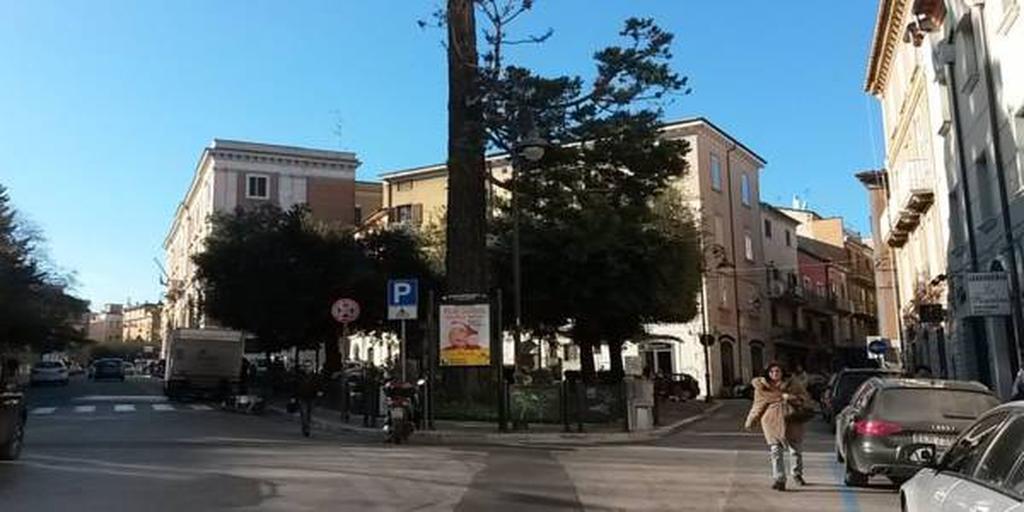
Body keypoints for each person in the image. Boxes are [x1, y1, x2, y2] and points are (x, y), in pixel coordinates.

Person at [745, 362, 812, 491]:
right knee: (776, 451)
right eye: (772, 372)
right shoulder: (762, 387)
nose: (775, 374)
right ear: (768, 373)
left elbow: (805, 398)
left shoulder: (793, 383)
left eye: (777, 371)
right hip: (772, 421)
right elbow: (757, 405)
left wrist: (791, 397)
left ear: (782, 372)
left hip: (792, 419)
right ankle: (779, 479)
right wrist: (751, 420)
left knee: (795, 449)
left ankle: (797, 473)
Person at [293, 366, 324, 437]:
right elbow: (295, 386)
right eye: (306, 366)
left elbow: (320, 385)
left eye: (309, 366)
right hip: (302, 397)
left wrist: (320, 391)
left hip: (312, 397)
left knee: (309, 413)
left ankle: (307, 426)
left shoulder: (316, 376)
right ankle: (306, 428)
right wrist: (294, 397)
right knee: (304, 413)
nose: (307, 368)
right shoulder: (299, 376)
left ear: (312, 368)